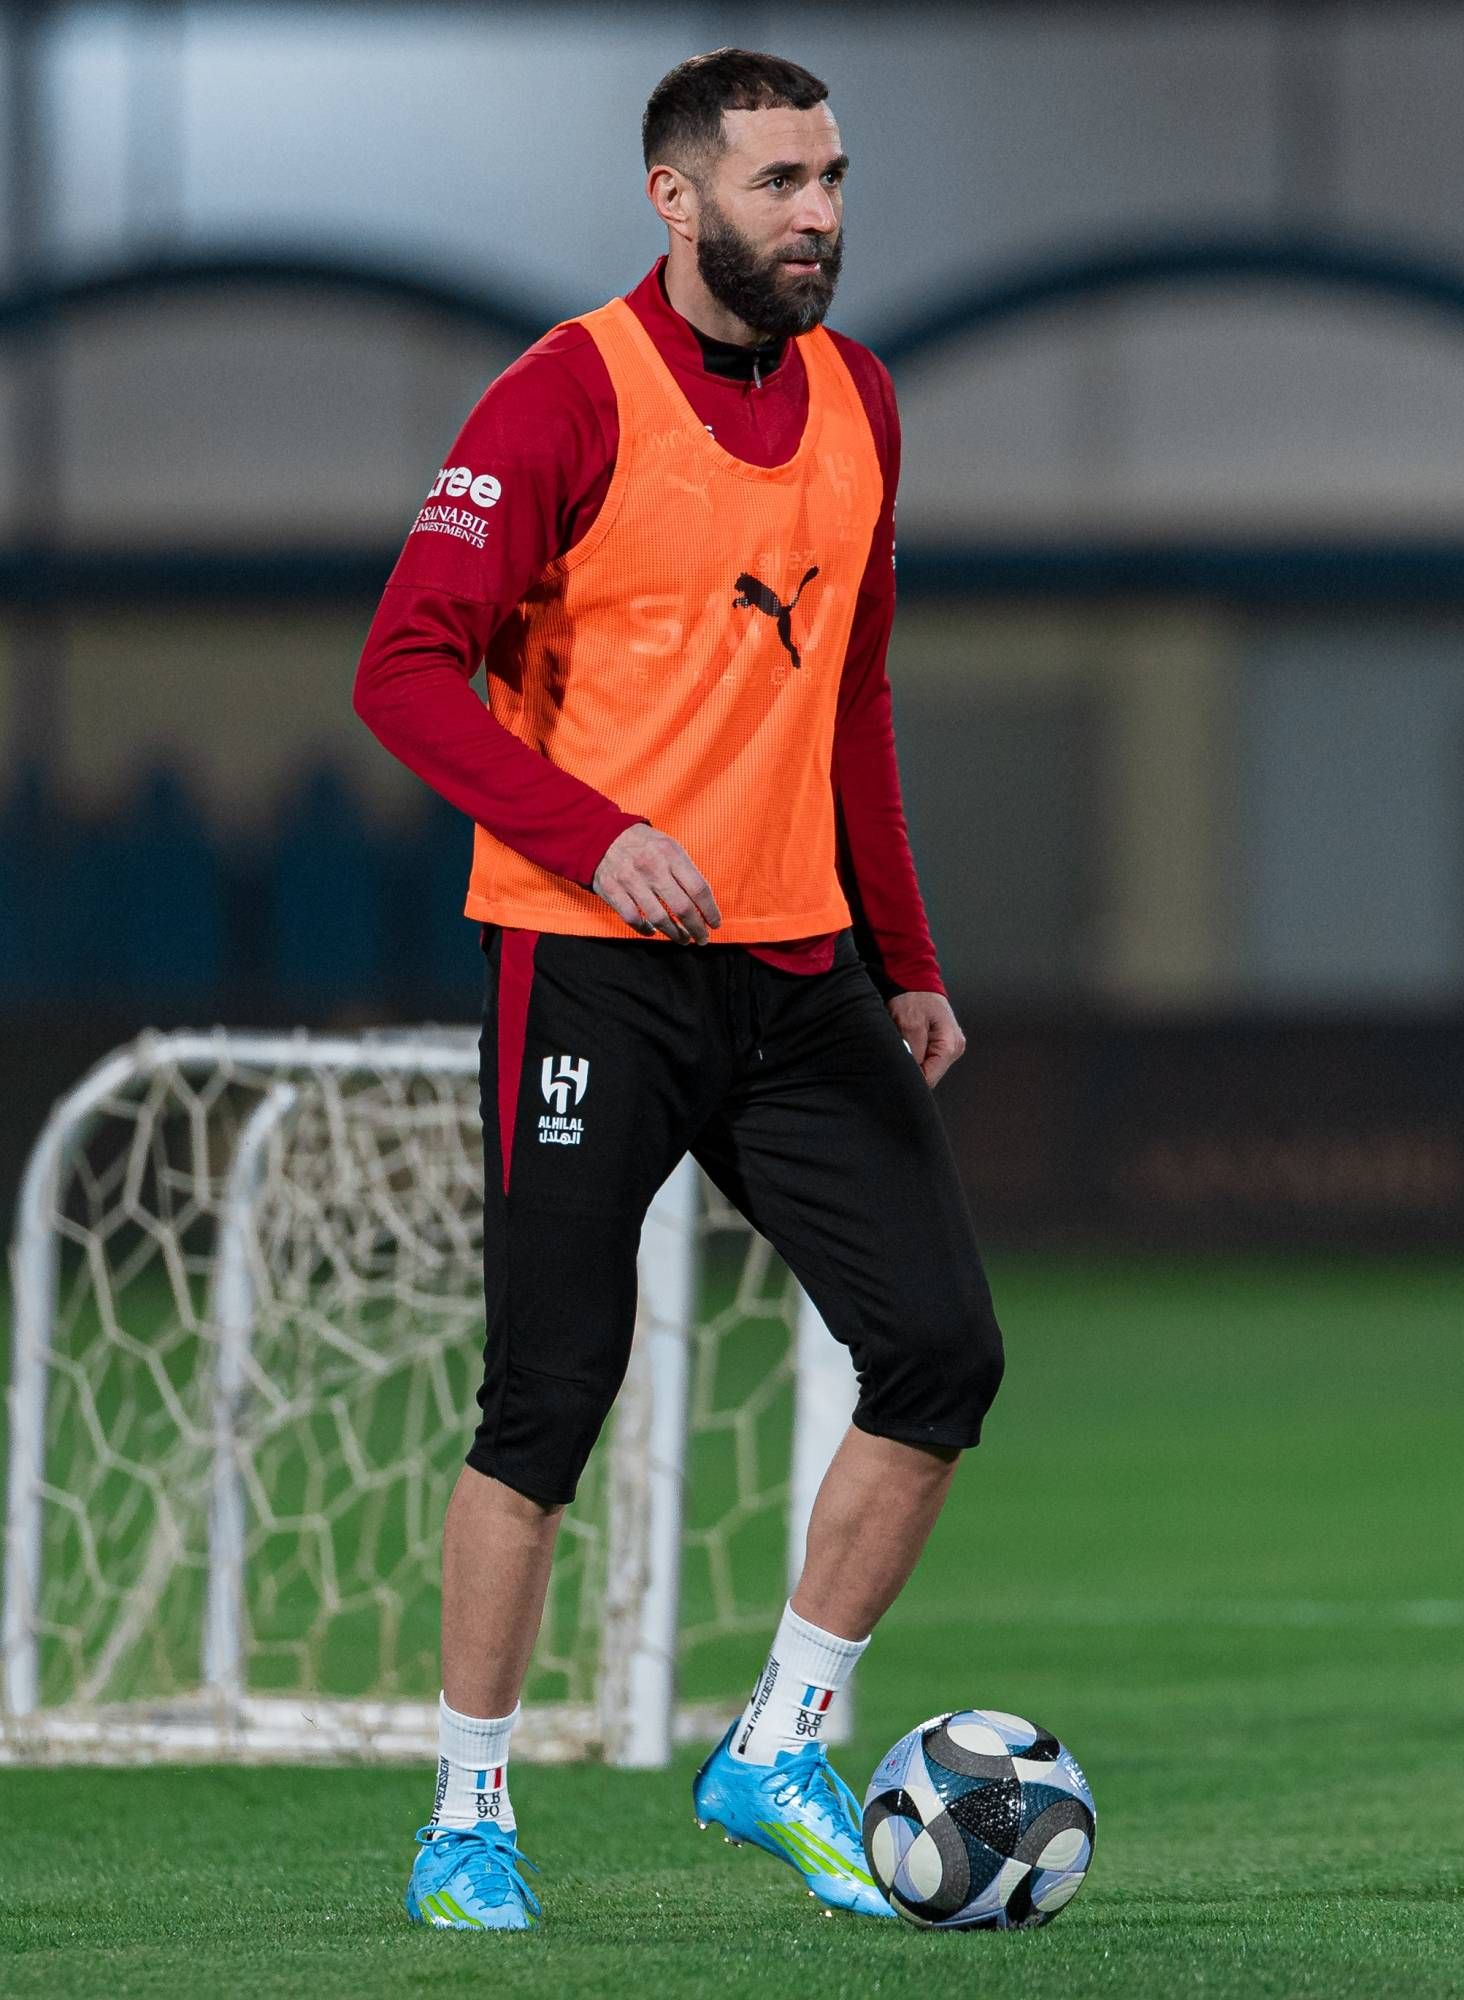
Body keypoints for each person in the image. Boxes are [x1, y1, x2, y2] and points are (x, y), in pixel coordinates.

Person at [354, 45, 1004, 1934]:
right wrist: (595, 833)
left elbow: (854, 695)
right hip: (589, 975)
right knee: (548, 1399)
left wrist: (906, 956)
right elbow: (403, 666)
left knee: (942, 1355)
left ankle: (777, 1744)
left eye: (833, 179)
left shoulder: (864, 398)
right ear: (675, 197)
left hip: (797, 975)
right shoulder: (564, 393)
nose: (820, 215)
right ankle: (469, 1815)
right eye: (781, 182)